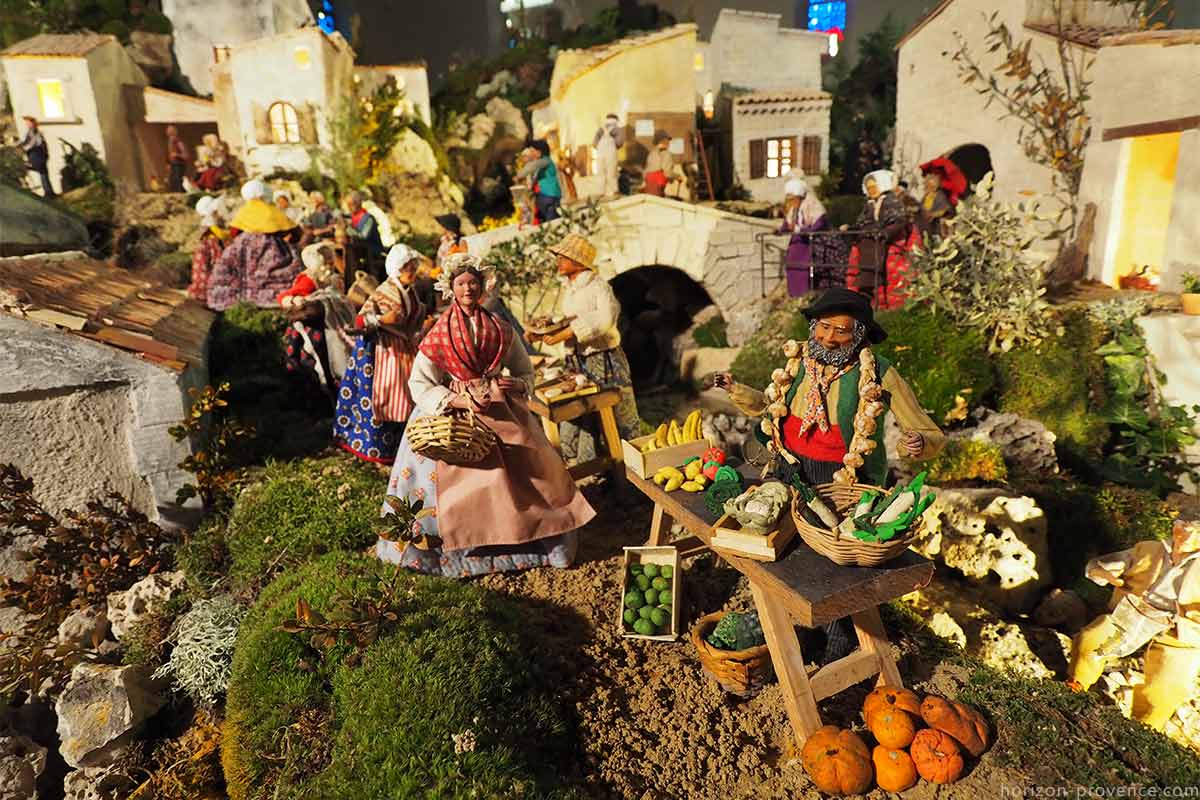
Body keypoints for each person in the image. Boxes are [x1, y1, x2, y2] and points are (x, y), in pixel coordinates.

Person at [714, 288, 945, 662]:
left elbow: (922, 428)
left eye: (840, 331)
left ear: (859, 335)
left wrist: (917, 442)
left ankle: (838, 633)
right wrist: (735, 390)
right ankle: (784, 616)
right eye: (823, 327)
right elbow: (772, 407)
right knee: (781, 543)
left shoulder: (879, 372)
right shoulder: (800, 363)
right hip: (789, 464)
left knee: (833, 555)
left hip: (842, 476)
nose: (828, 338)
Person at [377, 253, 595, 576]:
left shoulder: (499, 329)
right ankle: (453, 552)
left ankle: (531, 540)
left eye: (473, 284)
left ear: (481, 288)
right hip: (454, 415)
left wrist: (518, 383)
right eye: (462, 284)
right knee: (449, 482)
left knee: (532, 472)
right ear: (451, 289)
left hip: (499, 406)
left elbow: (524, 367)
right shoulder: (439, 333)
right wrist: (453, 400)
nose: (468, 289)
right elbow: (420, 381)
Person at [1068, 518, 1200, 731]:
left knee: (1167, 684)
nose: (1183, 538)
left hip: (1180, 631)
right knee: (1092, 639)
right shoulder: (1150, 549)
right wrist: (1107, 573)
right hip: (1132, 612)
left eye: (1193, 535)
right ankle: (1075, 685)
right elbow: (1103, 566)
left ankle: (1146, 727)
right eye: (1181, 530)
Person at [547, 233, 641, 462]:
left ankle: (631, 467)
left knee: (617, 414)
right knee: (584, 415)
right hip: (578, 361)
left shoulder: (599, 287)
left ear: (576, 261)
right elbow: (569, 316)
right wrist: (549, 330)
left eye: (563, 257)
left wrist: (569, 332)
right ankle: (592, 464)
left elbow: (604, 320)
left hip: (603, 360)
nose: (558, 261)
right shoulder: (570, 288)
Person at [332, 244, 428, 464]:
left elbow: (409, 323)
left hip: (401, 350)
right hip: (377, 354)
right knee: (380, 398)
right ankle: (372, 448)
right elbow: (357, 323)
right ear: (397, 268)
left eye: (413, 267)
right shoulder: (384, 292)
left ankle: (399, 449)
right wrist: (382, 321)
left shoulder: (410, 292)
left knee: (405, 397)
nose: (412, 272)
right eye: (408, 268)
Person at [205, 179, 300, 311]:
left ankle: (242, 297)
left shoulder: (244, 211)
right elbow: (294, 231)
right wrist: (288, 241)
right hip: (273, 246)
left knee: (230, 267)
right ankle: (279, 297)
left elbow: (234, 231)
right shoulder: (273, 211)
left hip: (245, 246)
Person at [278, 242, 356, 401]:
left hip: (327, 325)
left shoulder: (329, 277)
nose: (330, 262)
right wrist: (293, 300)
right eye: (326, 259)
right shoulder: (308, 280)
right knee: (321, 361)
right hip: (313, 328)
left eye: (330, 258)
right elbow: (284, 297)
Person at [843, 169, 910, 309]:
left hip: (886, 239)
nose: (871, 190)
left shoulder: (892, 201)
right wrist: (850, 229)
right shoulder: (870, 204)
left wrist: (885, 232)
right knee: (863, 244)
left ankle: (872, 281)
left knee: (872, 246)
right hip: (871, 238)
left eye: (874, 187)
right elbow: (862, 223)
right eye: (869, 188)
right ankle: (865, 284)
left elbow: (899, 221)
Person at [777, 178, 830, 297]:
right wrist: (779, 230)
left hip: (810, 244)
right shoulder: (795, 208)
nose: (790, 202)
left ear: (798, 196)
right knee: (792, 267)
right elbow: (788, 225)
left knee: (804, 270)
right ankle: (794, 296)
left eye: (792, 198)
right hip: (797, 244)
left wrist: (801, 230)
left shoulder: (812, 204)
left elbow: (818, 225)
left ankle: (804, 296)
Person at [187, 195, 230, 302]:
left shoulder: (219, 237)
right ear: (213, 213)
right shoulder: (208, 242)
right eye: (217, 211)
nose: (221, 214)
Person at [516, 140, 562, 222]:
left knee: (550, 215)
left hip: (549, 194)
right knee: (544, 214)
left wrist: (519, 175)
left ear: (539, 152)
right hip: (544, 195)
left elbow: (530, 167)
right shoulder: (542, 163)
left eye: (532, 151)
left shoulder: (545, 161)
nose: (531, 154)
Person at [343, 190, 385, 258]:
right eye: (348, 205)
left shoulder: (368, 218)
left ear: (358, 203)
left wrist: (347, 228)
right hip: (361, 253)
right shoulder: (352, 218)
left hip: (374, 254)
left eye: (351, 204)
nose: (349, 207)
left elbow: (363, 236)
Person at [18, 117, 53, 198]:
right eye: (26, 123)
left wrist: (23, 148)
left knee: (42, 172)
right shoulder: (30, 131)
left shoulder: (34, 131)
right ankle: (49, 192)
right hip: (37, 155)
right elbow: (26, 142)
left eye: (28, 122)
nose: (27, 124)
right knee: (43, 173)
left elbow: (33, 143)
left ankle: (48, 192)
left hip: (37, 154)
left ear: (32, 123)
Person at [592, 113, 625, 197]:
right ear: (616, 120)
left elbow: (594, 143)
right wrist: (612, 144)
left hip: (600, 153)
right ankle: (613, 191)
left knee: (601, 172)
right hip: (611, 153)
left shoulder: (600, 129)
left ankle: (601, 192)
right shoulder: (618, 130)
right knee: (612, 172)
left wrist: (600, 147)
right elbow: (619, 142)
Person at [643, 130, 675, 197]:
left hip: (649, 185)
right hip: (659, 185)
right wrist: (676, 177)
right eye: (668, 140)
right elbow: (668, 173)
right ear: (663, 141)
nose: (669, 142)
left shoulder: (651, 153)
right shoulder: (666, 154)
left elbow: (645, 172)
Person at [166, 125, 189, 193]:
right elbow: (169, 153)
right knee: (172, 181)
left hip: (179, 164)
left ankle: (180, 193)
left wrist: (177, 155)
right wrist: (168, 163)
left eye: (170, 130)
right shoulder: (170, 141)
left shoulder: (178, 141)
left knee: (178, 180)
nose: (168, 132)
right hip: (173, 163)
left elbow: (185, 154)